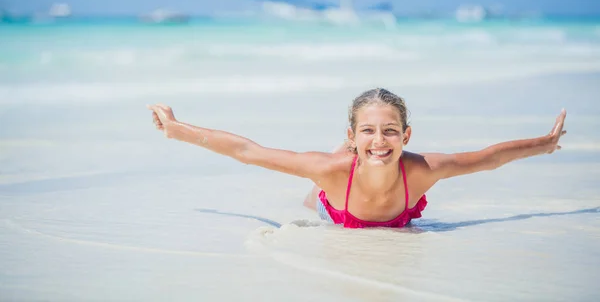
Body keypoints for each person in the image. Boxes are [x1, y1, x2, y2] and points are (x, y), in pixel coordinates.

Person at [147, 88, 567, 229]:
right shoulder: (331, 172)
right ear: (353, 136)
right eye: (367, 131)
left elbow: (487, 158)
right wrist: (179, 130)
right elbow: (248, 151)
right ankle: (336, 160)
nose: (381, 139)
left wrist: (544, 145)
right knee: (311, 198)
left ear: (406, 135)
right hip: (338, 199)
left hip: (371, 181)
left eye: (389, 131)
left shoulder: (423, 170)